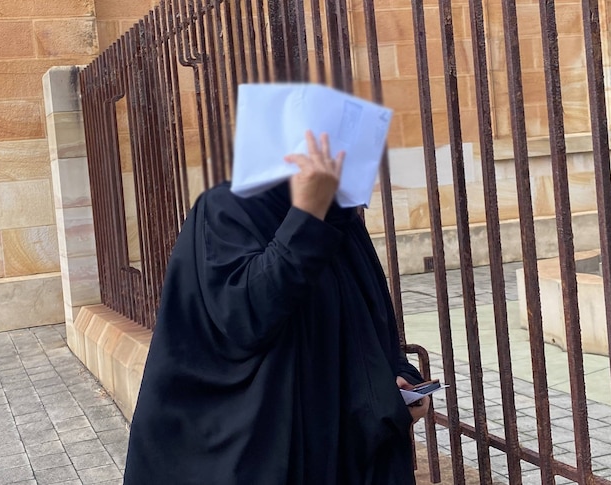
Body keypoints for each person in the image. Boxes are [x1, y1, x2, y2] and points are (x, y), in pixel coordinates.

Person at [123, 131, 430, 484]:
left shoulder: (342, 219)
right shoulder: (226, 208)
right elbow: (246, 314)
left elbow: (373, 321)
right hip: (265, 450)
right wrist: (308, 217)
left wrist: (403, 379)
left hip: (345, 448)